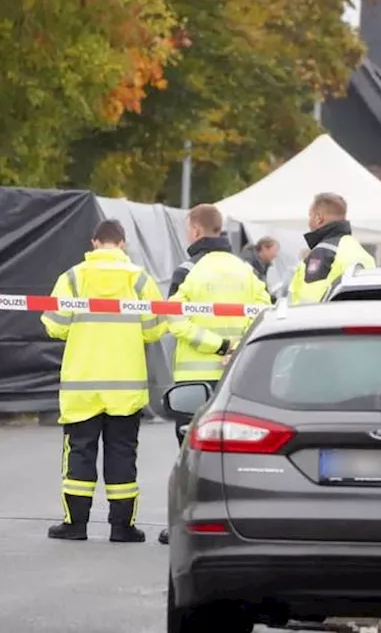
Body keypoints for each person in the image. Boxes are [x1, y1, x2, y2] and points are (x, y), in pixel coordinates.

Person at [41, 219, 167, 543]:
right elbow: (155, 328)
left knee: (80, 453)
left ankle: (75, 525)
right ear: (122, 244)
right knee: (123, 454)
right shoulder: (140, 280)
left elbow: (54, 325)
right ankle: (122, 527)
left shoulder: (72, 277)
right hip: (125, 387)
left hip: (82, 385)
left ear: (94, 242)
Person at [159, 204, 271, 545]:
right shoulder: (245, 271)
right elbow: (266, 311)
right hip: (237, 378)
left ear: (195, 230)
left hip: (193, 382)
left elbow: (173, 318)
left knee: (189, 455)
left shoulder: (187, 270)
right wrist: (238, 348)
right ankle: (237, 522)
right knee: (236, 449)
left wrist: (217, 345)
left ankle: (184, 524)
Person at [289, 192, 376, 305]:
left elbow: (309, 303)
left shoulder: (323, 252)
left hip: (322, 321)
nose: (309, 221)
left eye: (310, 216)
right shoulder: (360, 251)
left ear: (318, 218)